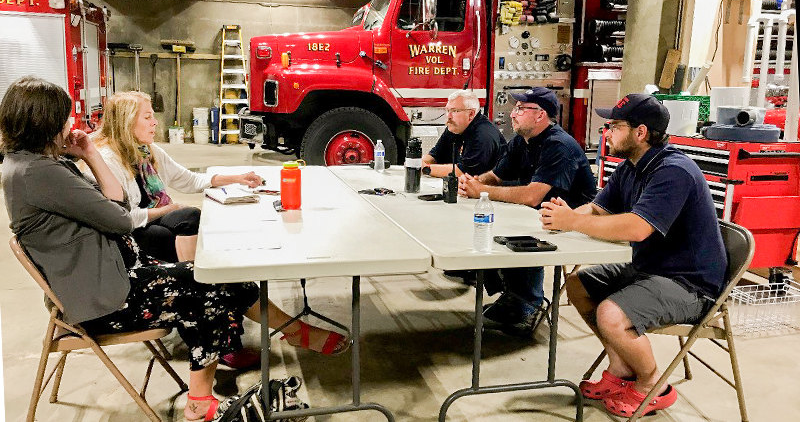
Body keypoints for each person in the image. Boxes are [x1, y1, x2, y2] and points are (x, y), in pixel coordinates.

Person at [0, 77, 347, 421]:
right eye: (64, 117)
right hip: (104, 296)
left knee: (221, 277)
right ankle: (201, 400)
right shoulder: (40, 173)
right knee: (208, 287)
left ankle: (292, 332)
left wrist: (87, 152)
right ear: (44, 122)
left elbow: (118, 204)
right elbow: (121, 217)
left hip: (111, 275)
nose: (70, 124)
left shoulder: (36, 165)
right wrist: (92, 152)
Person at [539, 93, 726, 417]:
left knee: (612, 314)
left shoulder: (673, 170)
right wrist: (565, 218)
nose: (607, 132)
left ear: (640, 133)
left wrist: (573, 221)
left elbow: (638, 228)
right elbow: (598, 209)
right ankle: (621, 369)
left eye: (615, 126)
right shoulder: (630, 167)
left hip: (691, 284)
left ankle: (652, 385)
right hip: (651, 269)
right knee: (579, 285)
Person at [458, 87, 597, 336]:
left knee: (519, 230)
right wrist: (474, 183)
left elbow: (533, 195)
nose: (513, 114)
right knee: (490, 222)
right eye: (515, 108)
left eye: (521, 108)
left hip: (571, 221)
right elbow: (495, 177)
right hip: (538, 214)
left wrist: (481, 191)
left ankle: (528, 304)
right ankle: (513, 294)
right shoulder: (521, 142)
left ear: (540, 115)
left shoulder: (559, 145)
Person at [91, 91, 262, 263]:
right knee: (163, 235)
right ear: (126, 122)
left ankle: (195, 273)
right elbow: (123, 217)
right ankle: (189, 277)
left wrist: (237, 178)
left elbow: (189, 180)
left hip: (151, 216)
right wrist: (169, 209)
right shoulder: (108, 159)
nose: (155, 122)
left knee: (190, 217)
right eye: (147, 117)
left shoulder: (146, 150)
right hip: (127, 229)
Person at [422, 90, 506, 178]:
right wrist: (416, 162)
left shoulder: (483, 135)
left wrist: (425, 168)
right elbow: (435, 155)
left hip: (489, 188)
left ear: (471, 114)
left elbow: (464, 173)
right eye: (447, 110)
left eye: (455, 111)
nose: (448, 116)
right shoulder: (454, 127)